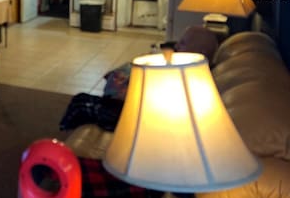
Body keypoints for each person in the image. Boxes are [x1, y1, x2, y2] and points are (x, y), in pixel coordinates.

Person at [59, 25, 219, 131]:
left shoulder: (187, 75)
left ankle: (65, 131)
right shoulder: (191, 69)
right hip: (136, 107)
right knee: (81, 100)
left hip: (135, 115)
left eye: (183, 43)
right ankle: (69, 131)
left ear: (200, 51)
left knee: (81, 104)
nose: (177, 46)